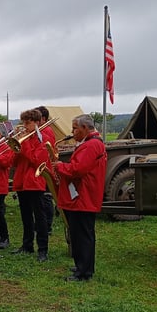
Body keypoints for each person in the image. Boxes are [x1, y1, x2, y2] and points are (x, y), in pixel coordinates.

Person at [54, 114, 107, 281]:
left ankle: (84, 272)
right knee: (79, 233)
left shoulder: (91, 145)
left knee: (82, 235)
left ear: (85, 128)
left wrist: (61, 166)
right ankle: (82, 265)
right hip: (82, 195)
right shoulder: (90, 144)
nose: (72, 131)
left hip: (83, 196)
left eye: (75, 128)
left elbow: (77, 170)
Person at [11, 109, 50, 261]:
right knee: (26, 216)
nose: (24, 126)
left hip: (35, 182)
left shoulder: (43, 139)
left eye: (28, 123)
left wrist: (24, 144)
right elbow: (14, 163)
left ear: (37, 122)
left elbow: (36, 161)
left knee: (40, 218)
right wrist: (15, 149)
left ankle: (43, 249)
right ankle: (27, 245)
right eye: (23, 123)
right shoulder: (24, 139)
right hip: (22, 182)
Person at [36, 106, 57, 235]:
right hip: (43, 167)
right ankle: (41, 224)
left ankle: (47, 225)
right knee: (43, 199)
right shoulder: (42, 130)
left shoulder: (46, 131)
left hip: (46, 168)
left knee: (46, 198)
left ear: (42, 119)